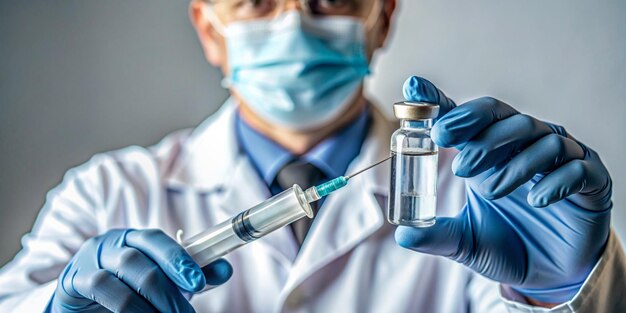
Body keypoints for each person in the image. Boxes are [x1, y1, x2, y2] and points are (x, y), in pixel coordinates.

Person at [0, 0, 624, 312]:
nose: (295, 20)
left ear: (383, 19)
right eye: (257, 1)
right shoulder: (106, 192)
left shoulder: (479, 194)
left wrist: (566, 292)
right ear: (208, 27)